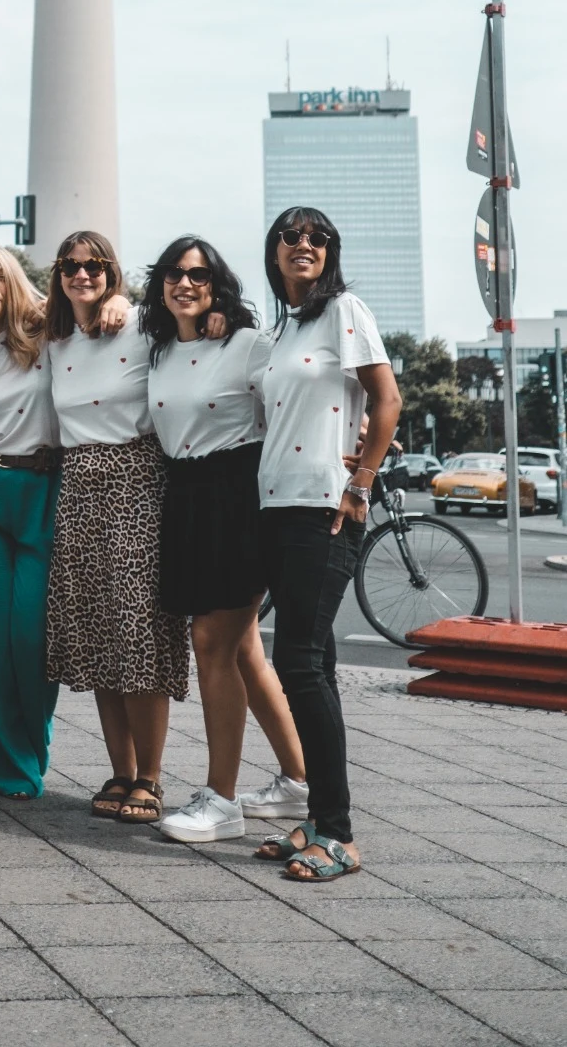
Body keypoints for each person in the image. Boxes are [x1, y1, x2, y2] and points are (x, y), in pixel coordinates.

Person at [137, 237, 309, 844]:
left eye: (200, 275)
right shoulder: (156, 350)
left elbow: (299, 395)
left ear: (218, 285)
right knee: (242, 652)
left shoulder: (244, 345)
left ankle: (223, 801)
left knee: (212, 641)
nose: (187, 284)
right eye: (175, 274)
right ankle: (296, 783)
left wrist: (357, 438)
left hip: (237, 492)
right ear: (160, 284)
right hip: (183, 495)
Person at [253, 207, 402, 881]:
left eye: (317, 238)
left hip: (324, 508)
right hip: (276, 505)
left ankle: (337, 833)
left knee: (299, 664)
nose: (303, 245)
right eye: (291, 236)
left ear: (329, 253)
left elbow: (386, 398)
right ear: (274, 251)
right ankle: (318, 817)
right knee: (318, 665)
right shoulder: (283, 327)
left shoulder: (345, 309)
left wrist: (360, 480)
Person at [45, 229, 188, 824]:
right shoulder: (57, 341)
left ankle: (150, 777)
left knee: (140, 633)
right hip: (79, 488)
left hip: (136, 484)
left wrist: (128, 302)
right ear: (58, 274)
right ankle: (121, 770)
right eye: (73, 266)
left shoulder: (139, 326)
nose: (84, 275)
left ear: (113, 272)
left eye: (96, 266)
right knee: (102, 635)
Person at [0, 246, 60, 799]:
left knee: (32, 633)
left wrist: (117, 298)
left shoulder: (50, 334)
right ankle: (9, 765)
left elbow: (104, 305)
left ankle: (34, 744)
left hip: (45, 488)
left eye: (0, 274)